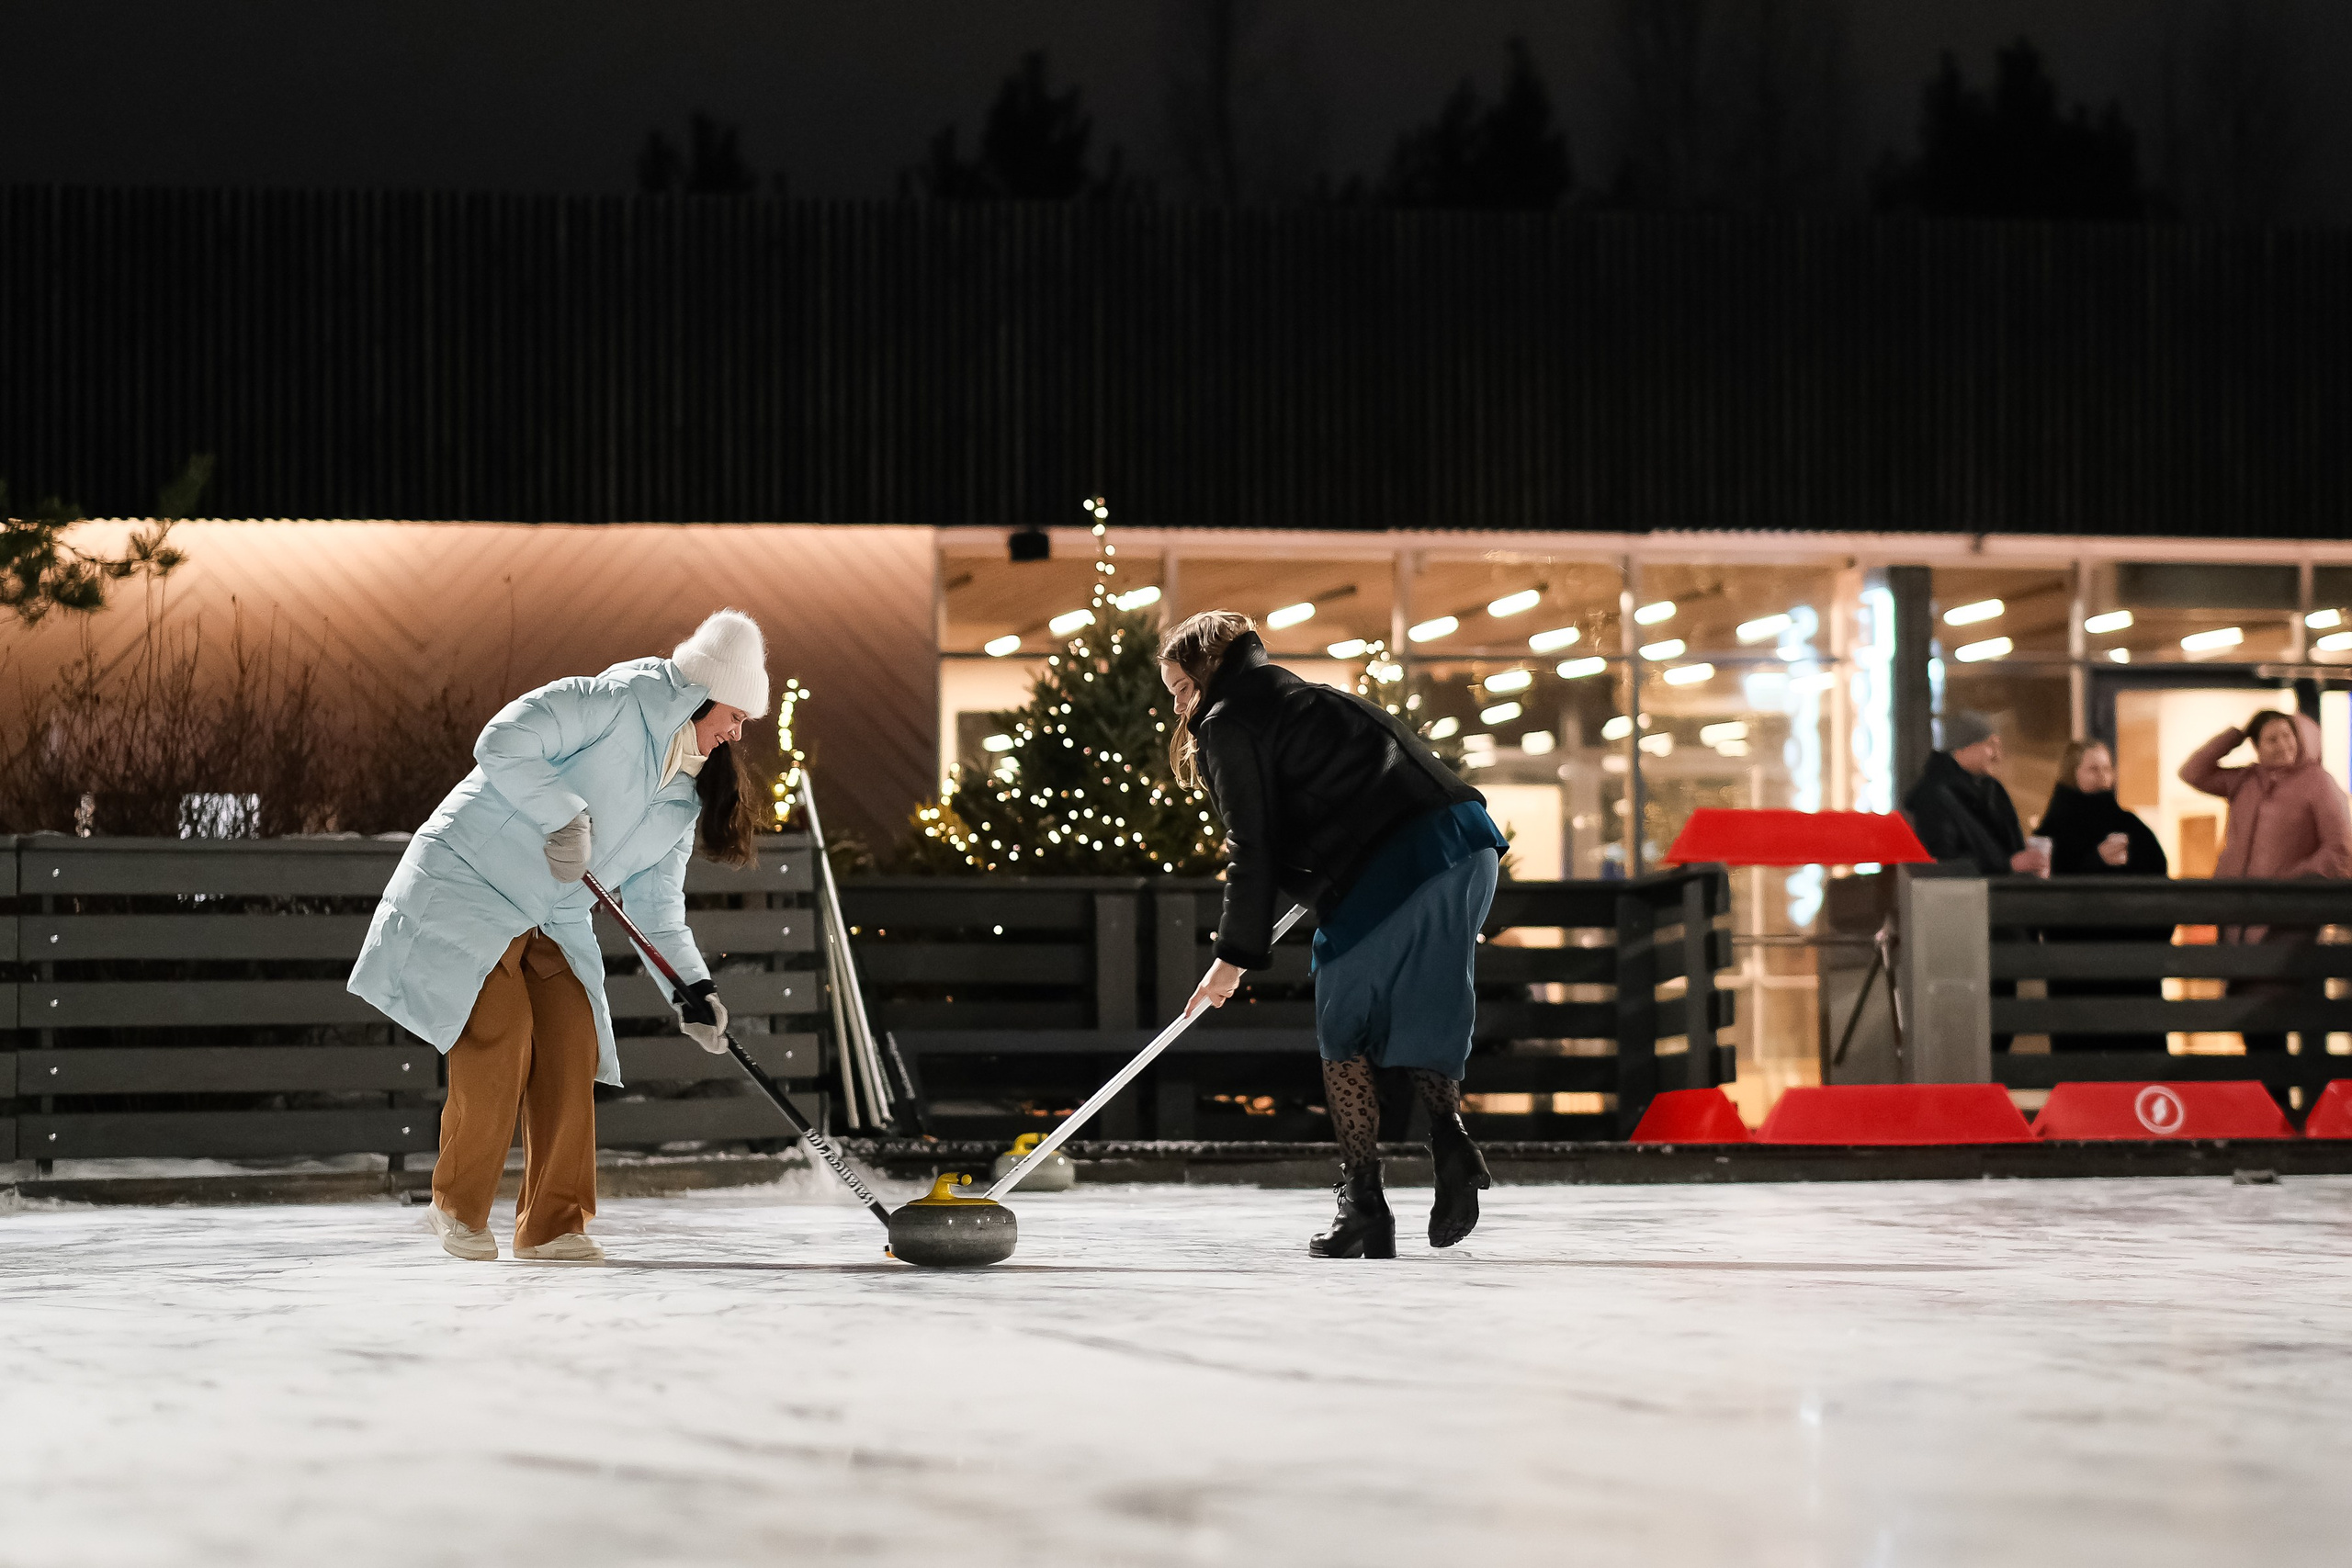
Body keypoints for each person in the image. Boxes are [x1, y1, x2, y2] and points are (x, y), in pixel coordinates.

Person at [350, 609, 770, 1260]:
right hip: (473, 878)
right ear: (702, 691)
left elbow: (658, 910)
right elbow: (502, 739)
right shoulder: (614, 700)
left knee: (572, 1041)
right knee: (501, 1030)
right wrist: (564, 815)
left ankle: (552, 1224)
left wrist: (695, 989)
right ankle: (456, 1207)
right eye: (736, 714)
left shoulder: (684, 796)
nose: (738, 731)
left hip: (552, 915)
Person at [1159, 611, 1507, 1258]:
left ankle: (1365, 1207)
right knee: (1427, 1006)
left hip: (1396, 861)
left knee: (1343, 1029)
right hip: (1466, 842)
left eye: (1181, 687)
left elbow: (1252, 846)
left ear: (1208, 671)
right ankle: (1452, 1142)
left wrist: (1232, 958)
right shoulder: (1303, 694)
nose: (1178, 705)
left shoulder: (1229, 719)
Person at [2179, 709, 2352, 1054]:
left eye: (2288, 735)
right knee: (2250, 1026)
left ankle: (2289, 1102)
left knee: (2274, 1017)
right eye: (2271, 739)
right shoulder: (2245, 781)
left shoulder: (2317, 782)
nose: (2282, 745)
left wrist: (2290, 881)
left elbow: (2341, 850)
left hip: (2283, 922)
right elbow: (2193, 772)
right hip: (2236, 924)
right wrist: (2236, 734)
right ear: (2256, 746)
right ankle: (2276, 1103)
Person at [2038, 739, 2170, 1053]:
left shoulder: (2129, 824)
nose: (2103, 777)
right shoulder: (2054, 828)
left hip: (2133, 964)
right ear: (2073, 774)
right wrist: (2095, 862)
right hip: (2077, 967)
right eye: (2093, 769)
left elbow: (2160, 877)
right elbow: (2049, 894)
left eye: (2107, 769)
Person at [1901, 711, 2048, 877]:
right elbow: (1942, 865)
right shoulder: (1933, 797)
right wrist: (2008, 865)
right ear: (1965, 746)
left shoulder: (1992, 790)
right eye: (1991, 745)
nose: (1998, 755)